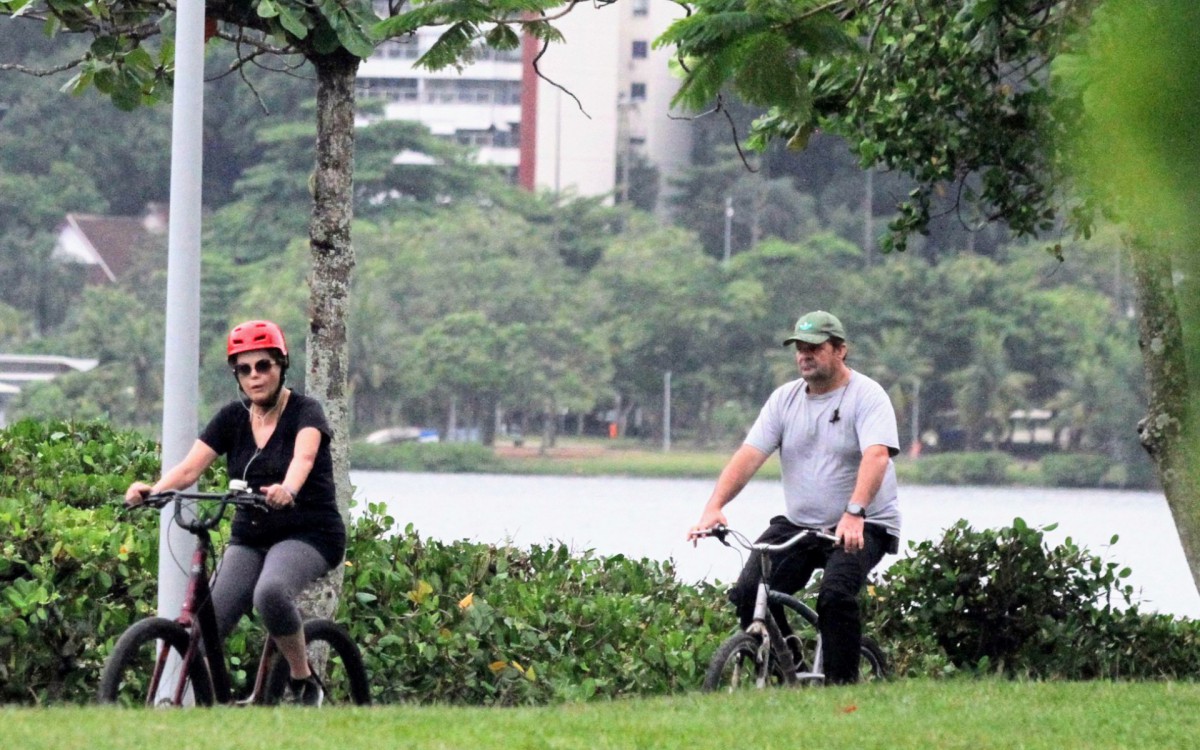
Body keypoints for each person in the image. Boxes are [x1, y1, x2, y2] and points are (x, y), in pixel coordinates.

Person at [125, 319, 345, 706]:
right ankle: (213, 709)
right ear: (236, 375)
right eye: (244, 369)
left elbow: (304, 457)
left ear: (281, 366)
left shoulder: (306, 412)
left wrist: (288, 489)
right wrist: (154, 491)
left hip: (308, 533)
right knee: (205, 625)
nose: (255, 376)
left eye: (264, 366)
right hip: (251, 536)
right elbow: (191, 467)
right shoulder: (232, 418)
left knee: (271, 593)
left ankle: (301, 676)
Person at [687, 310, 901, 685]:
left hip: (862, 523)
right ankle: (789, 664)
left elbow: (877, 455)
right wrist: (714, 507)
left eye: (815, 348)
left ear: (840, 351)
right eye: (800, 348)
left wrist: (855, 512)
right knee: (749, 592)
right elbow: (749, 455)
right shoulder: (784, 400)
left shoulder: (867, 396)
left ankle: (842, 690)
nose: (805, 355)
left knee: (835, 597)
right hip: (801, 525)